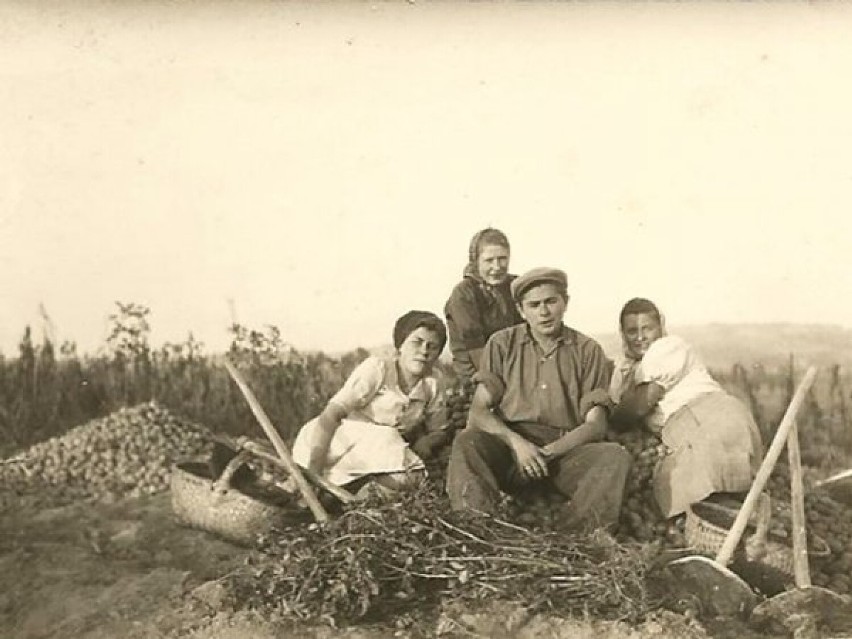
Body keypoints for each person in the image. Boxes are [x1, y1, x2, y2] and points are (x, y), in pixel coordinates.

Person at [446, 267, 632, 531]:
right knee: (467, 442)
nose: (544, 312)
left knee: (615, 457)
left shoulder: (587, 350)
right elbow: (478, 412)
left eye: (551, 302)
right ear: (521, 311)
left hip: (564, 452)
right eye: (534, 305)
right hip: (510, 449)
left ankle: (576, 541)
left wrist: (547, 453)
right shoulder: (501, 344)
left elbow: (595, 425)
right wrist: (518, 445)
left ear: (565, 303)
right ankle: (480, 531)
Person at [609, 297, 764, 518]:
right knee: (698, 489)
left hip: (707, 415)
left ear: (660, 326)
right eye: (632, 331)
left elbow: (639, 406)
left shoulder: (667, 347)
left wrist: (611, 418)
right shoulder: (634, 367)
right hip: (691, 423)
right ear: (622, 333)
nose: (640, 337)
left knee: (712, 487)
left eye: (647, 328)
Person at [291, 311, 450, 492]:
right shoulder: (378, 368)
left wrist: (425, 443)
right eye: (417, 342)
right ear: (400, 345)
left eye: (432, 346)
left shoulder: (433, 382)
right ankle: (332, 489)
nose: (424, 351)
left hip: (380, 453)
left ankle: (353, 498)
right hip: (335, 443)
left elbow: (438, 430)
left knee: (412, 478)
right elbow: (330, 415)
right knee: (389, 438)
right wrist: (314, 470)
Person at [444, 228, 523, 380]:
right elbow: (476, 349)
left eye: (502, 258)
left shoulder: (515, 286)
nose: (497, 266)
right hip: (477, 375)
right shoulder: (464, 293)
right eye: (489, 260)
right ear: (476, 262)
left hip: (513, 370)